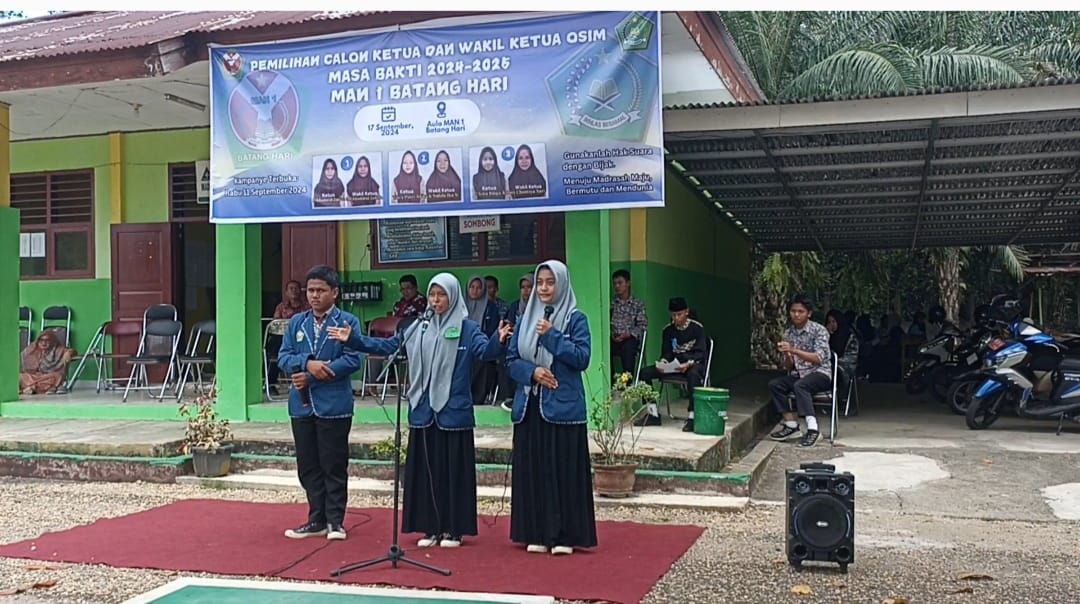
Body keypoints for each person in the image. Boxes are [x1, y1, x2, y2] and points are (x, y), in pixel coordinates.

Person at [328, 273, 512, 548]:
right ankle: (431, 528)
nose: (437, 301)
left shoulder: (467, 328)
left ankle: (453, 530)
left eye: (442, 295)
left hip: (453, 414)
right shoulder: (418, 327)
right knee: (427, 472)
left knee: (453, 473)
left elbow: (486, 352)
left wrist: (499, 340)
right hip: (424, 413)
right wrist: (354, 340)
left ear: (452, 296)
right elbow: (390, 346)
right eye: (433, 295)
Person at [506, 259, 597, 555]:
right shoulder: (524, 319)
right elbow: (510, 362)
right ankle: (536, 531)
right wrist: (531, 372)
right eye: (540, 283)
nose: (544, 288)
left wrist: (552, 336)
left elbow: (582, 357)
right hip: (530, 407)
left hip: (562, 409)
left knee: (562, 471)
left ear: (561, 284)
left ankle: (563, 536)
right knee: (534, 470)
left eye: (550, 282)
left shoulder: (575, 318)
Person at [276, 265, 364, 541]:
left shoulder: (347, 322)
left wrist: (316, 374)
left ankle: (335, 521)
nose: (314, 296)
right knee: (308, 465)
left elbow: (353, 359)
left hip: (334, 405)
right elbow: (283, 357)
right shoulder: (297, 323)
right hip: (301, 405)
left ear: (334, 292)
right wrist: (306, 364)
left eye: (320, 290)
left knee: (333, 464)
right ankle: (316, 519)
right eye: (310, 290)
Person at [634, 297, 708, 432]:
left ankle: (692, 416)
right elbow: (667, 352)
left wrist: (688, 363)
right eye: (673, 315)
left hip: (692, 364)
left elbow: (701, 353)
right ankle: (653, 413)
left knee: (693, 375)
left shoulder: (697, 329)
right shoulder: (668, 330)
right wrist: (663, 362)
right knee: (644, 373)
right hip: (674, 365)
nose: (676, 318)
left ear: (686, 312)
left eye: (679, 314)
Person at [768, 294, 832, 447]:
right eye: (793, 311)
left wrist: (794, 350)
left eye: (800, 311)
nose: (796, 314)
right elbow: (789, 367)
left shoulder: (819, 331)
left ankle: (813, 429)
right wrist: (787, 355)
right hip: (799, 373)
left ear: (809, 313)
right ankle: (791, 425)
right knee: (775, 384)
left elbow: (818, 358)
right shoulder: (789, 333)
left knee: (800, 385)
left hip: (820, 373)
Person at [497, 273, 534, 409]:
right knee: (505, 358)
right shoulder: (515, 306)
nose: (526, 290)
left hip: (532, 345)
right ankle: (509, 396)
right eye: (523, 287)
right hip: (515, 342)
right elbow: (510, 324)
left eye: (529, 287)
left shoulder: (540, 308)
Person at [267, 280, 308, 395]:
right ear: (286, 292)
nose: (294, 291)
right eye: (291, 288)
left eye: (296, 288)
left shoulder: (306, 307)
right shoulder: (281, 307)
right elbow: (275, 325)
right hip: (283, 338)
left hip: (302, 338)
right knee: (274, 352)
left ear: (300, 291)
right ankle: (270, 384)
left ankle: (305, 381)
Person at [465, 275, 500, 405]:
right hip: (462, 346)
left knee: (482, 359)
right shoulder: (460, 308)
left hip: (481, 346)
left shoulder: (491, 308)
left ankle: (477, 397)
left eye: (479, 288)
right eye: (472, 287)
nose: (475, 290)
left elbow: (492, 332)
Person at [610, 269, 647, 376]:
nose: (617, 286)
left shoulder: (637, 304)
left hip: (629, 338)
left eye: (620, 283)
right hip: (614, 337)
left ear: (628, 283)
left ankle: (628, 383)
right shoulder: (611, 303)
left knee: (628, 350)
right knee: (605, 348)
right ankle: (610, 380)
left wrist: (629, 334)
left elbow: (642, 326)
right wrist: (612, 334)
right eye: (615, 284)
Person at [19, 330, 73, 395]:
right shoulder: (32, 349)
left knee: (58, 376)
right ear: (38, 341)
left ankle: (31, 388)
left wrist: (68, 353)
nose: (44, 343)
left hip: (48, 376)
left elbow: (71, 351)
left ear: (52, 341)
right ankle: (32, 388)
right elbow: (22, 357)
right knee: (20, 376)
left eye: (47, 340)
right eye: (41, 340)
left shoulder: (57, 349)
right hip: (33, 376)